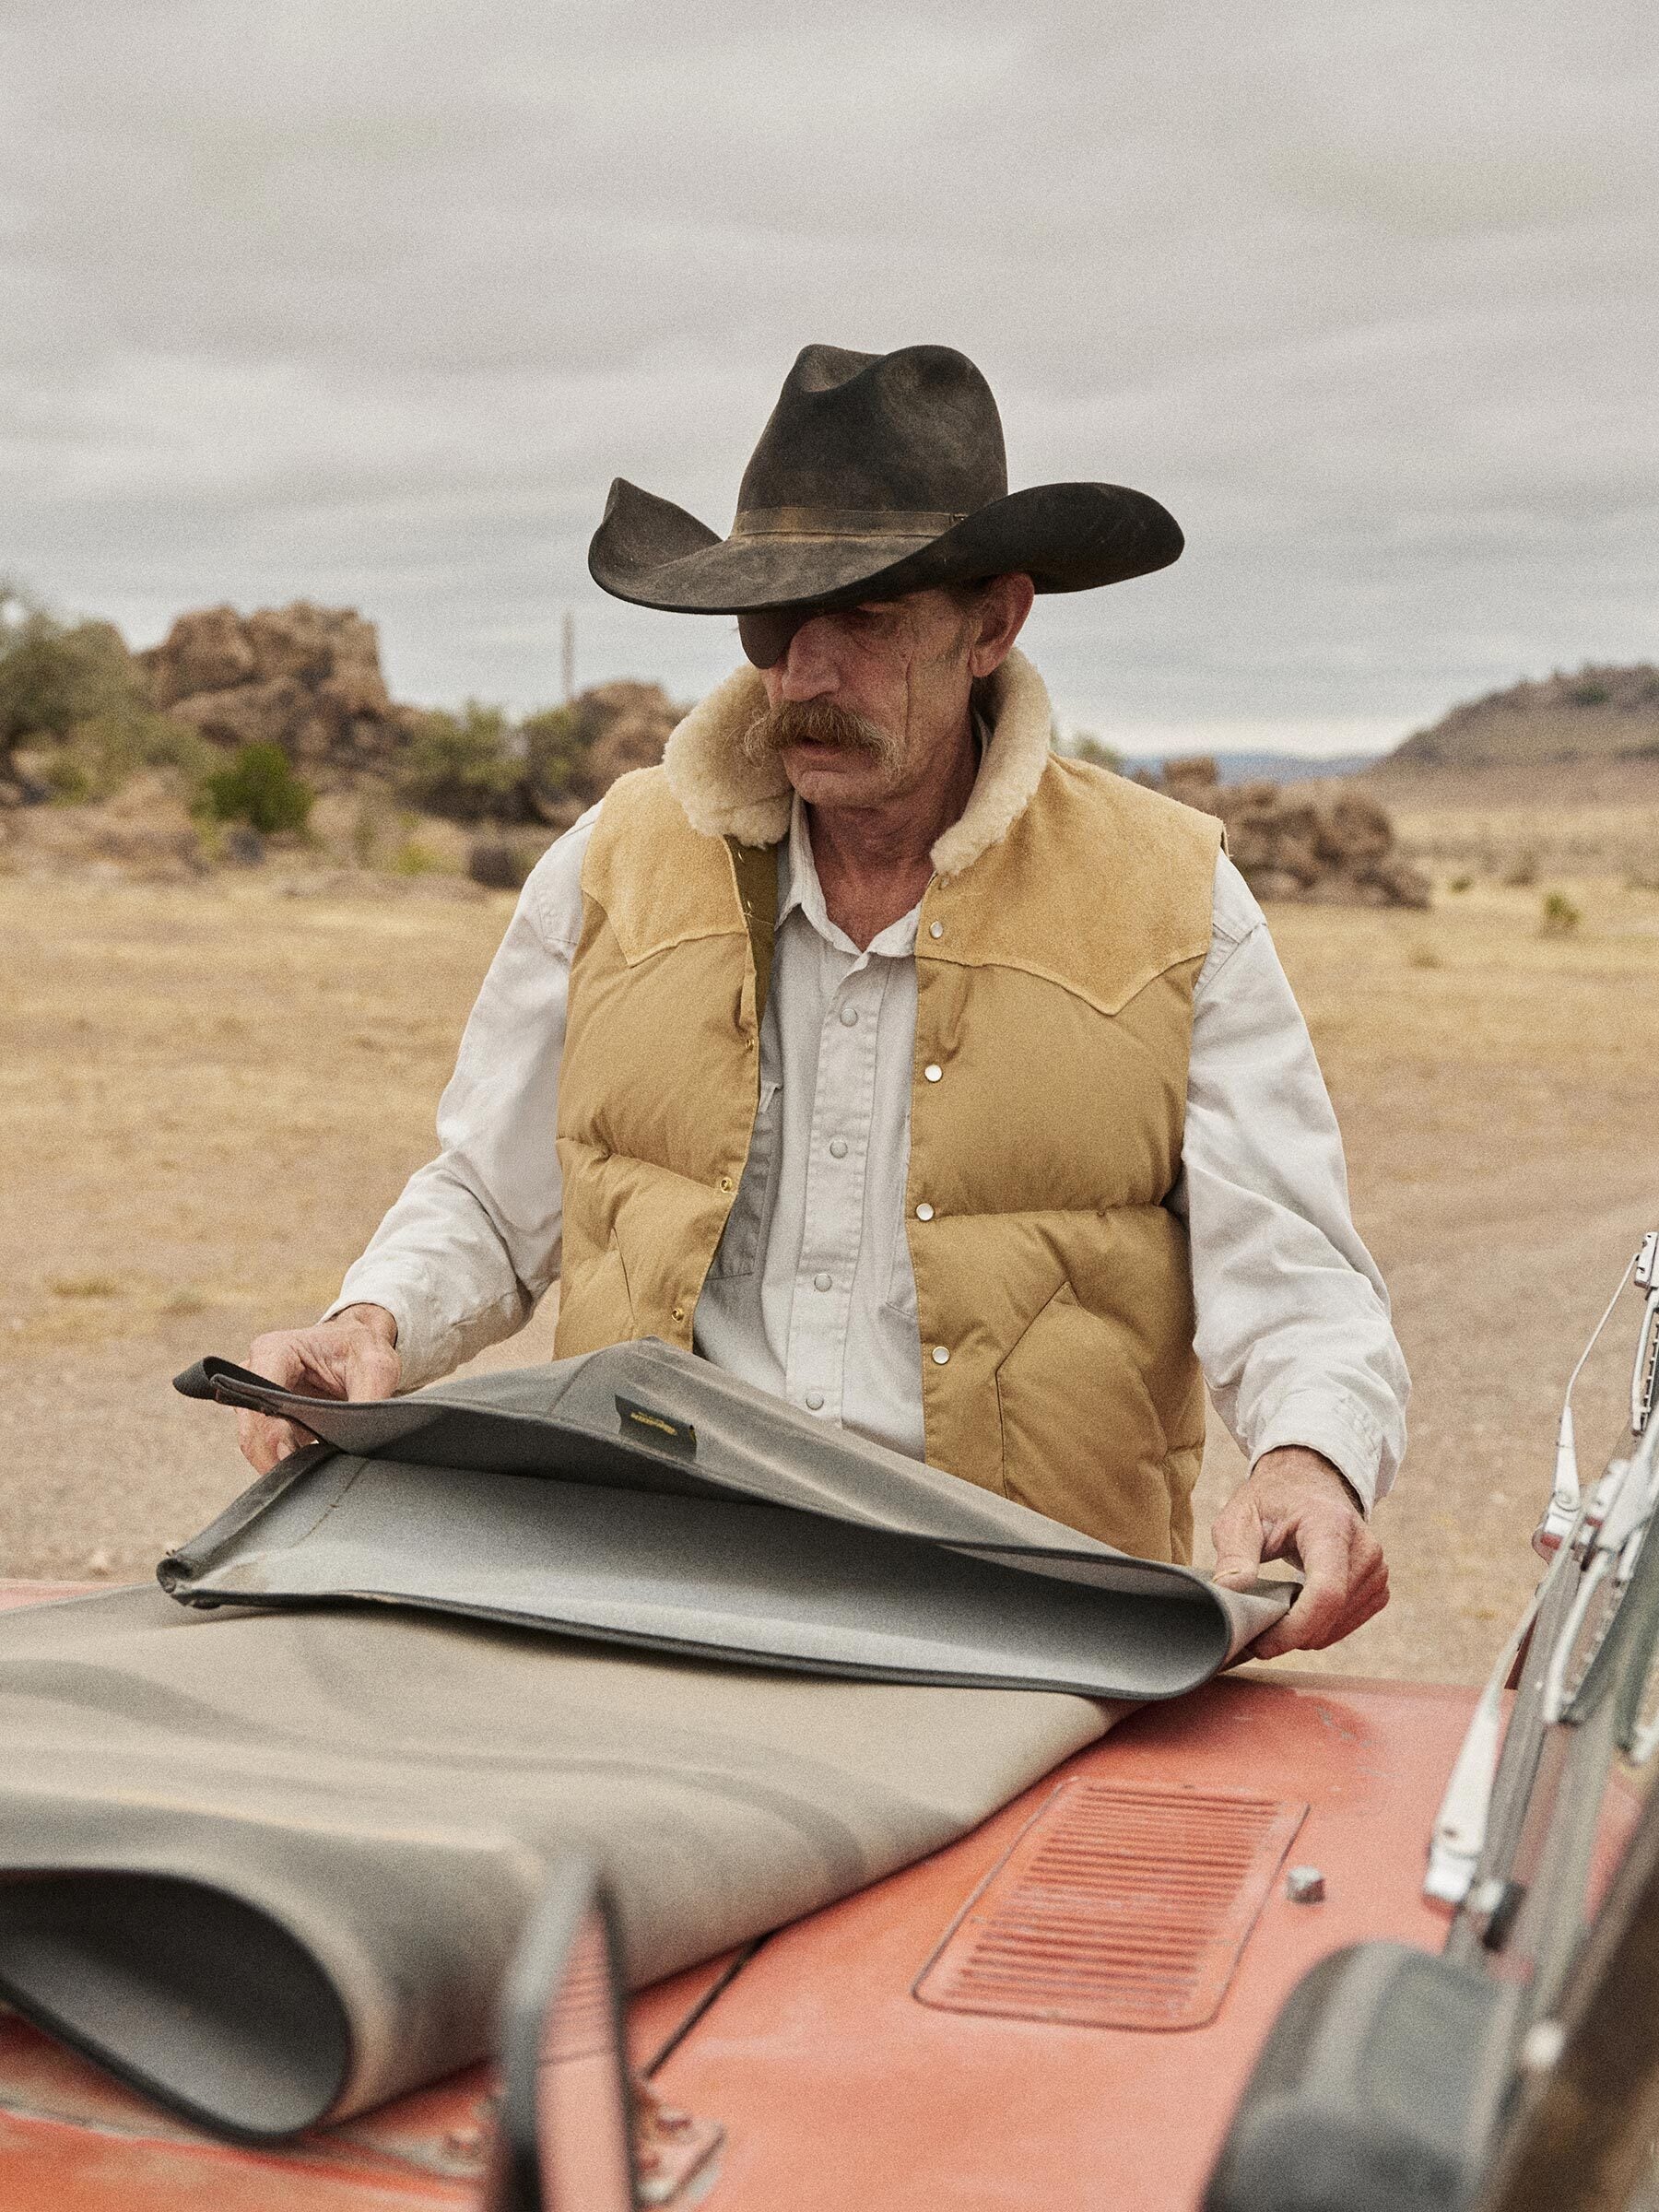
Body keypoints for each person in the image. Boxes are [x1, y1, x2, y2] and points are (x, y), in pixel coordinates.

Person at [238, 343, 1406, 1661]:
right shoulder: (612, 866)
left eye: (866, 618)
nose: (805, 674)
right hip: (647, 1591)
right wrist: (370, 1322)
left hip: (1023, 1630)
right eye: (772, 624)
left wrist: (1310, 1459)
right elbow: (490, 1202)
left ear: (993, 626)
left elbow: (1294, 1273)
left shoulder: (1172, 901)